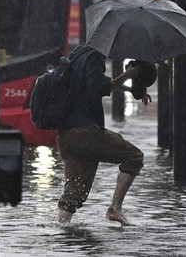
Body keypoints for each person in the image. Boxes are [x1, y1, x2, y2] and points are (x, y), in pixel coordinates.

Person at [55, 44, 154, 226]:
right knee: (134, 157)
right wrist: (128, 75)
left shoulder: (79, 53)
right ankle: (115, 209)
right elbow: (97, 88)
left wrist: (129, 88)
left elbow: (94, 82)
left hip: (67, 134)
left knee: (72, 197)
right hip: (86, 132)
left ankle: (62, 236)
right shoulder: (95, 57)